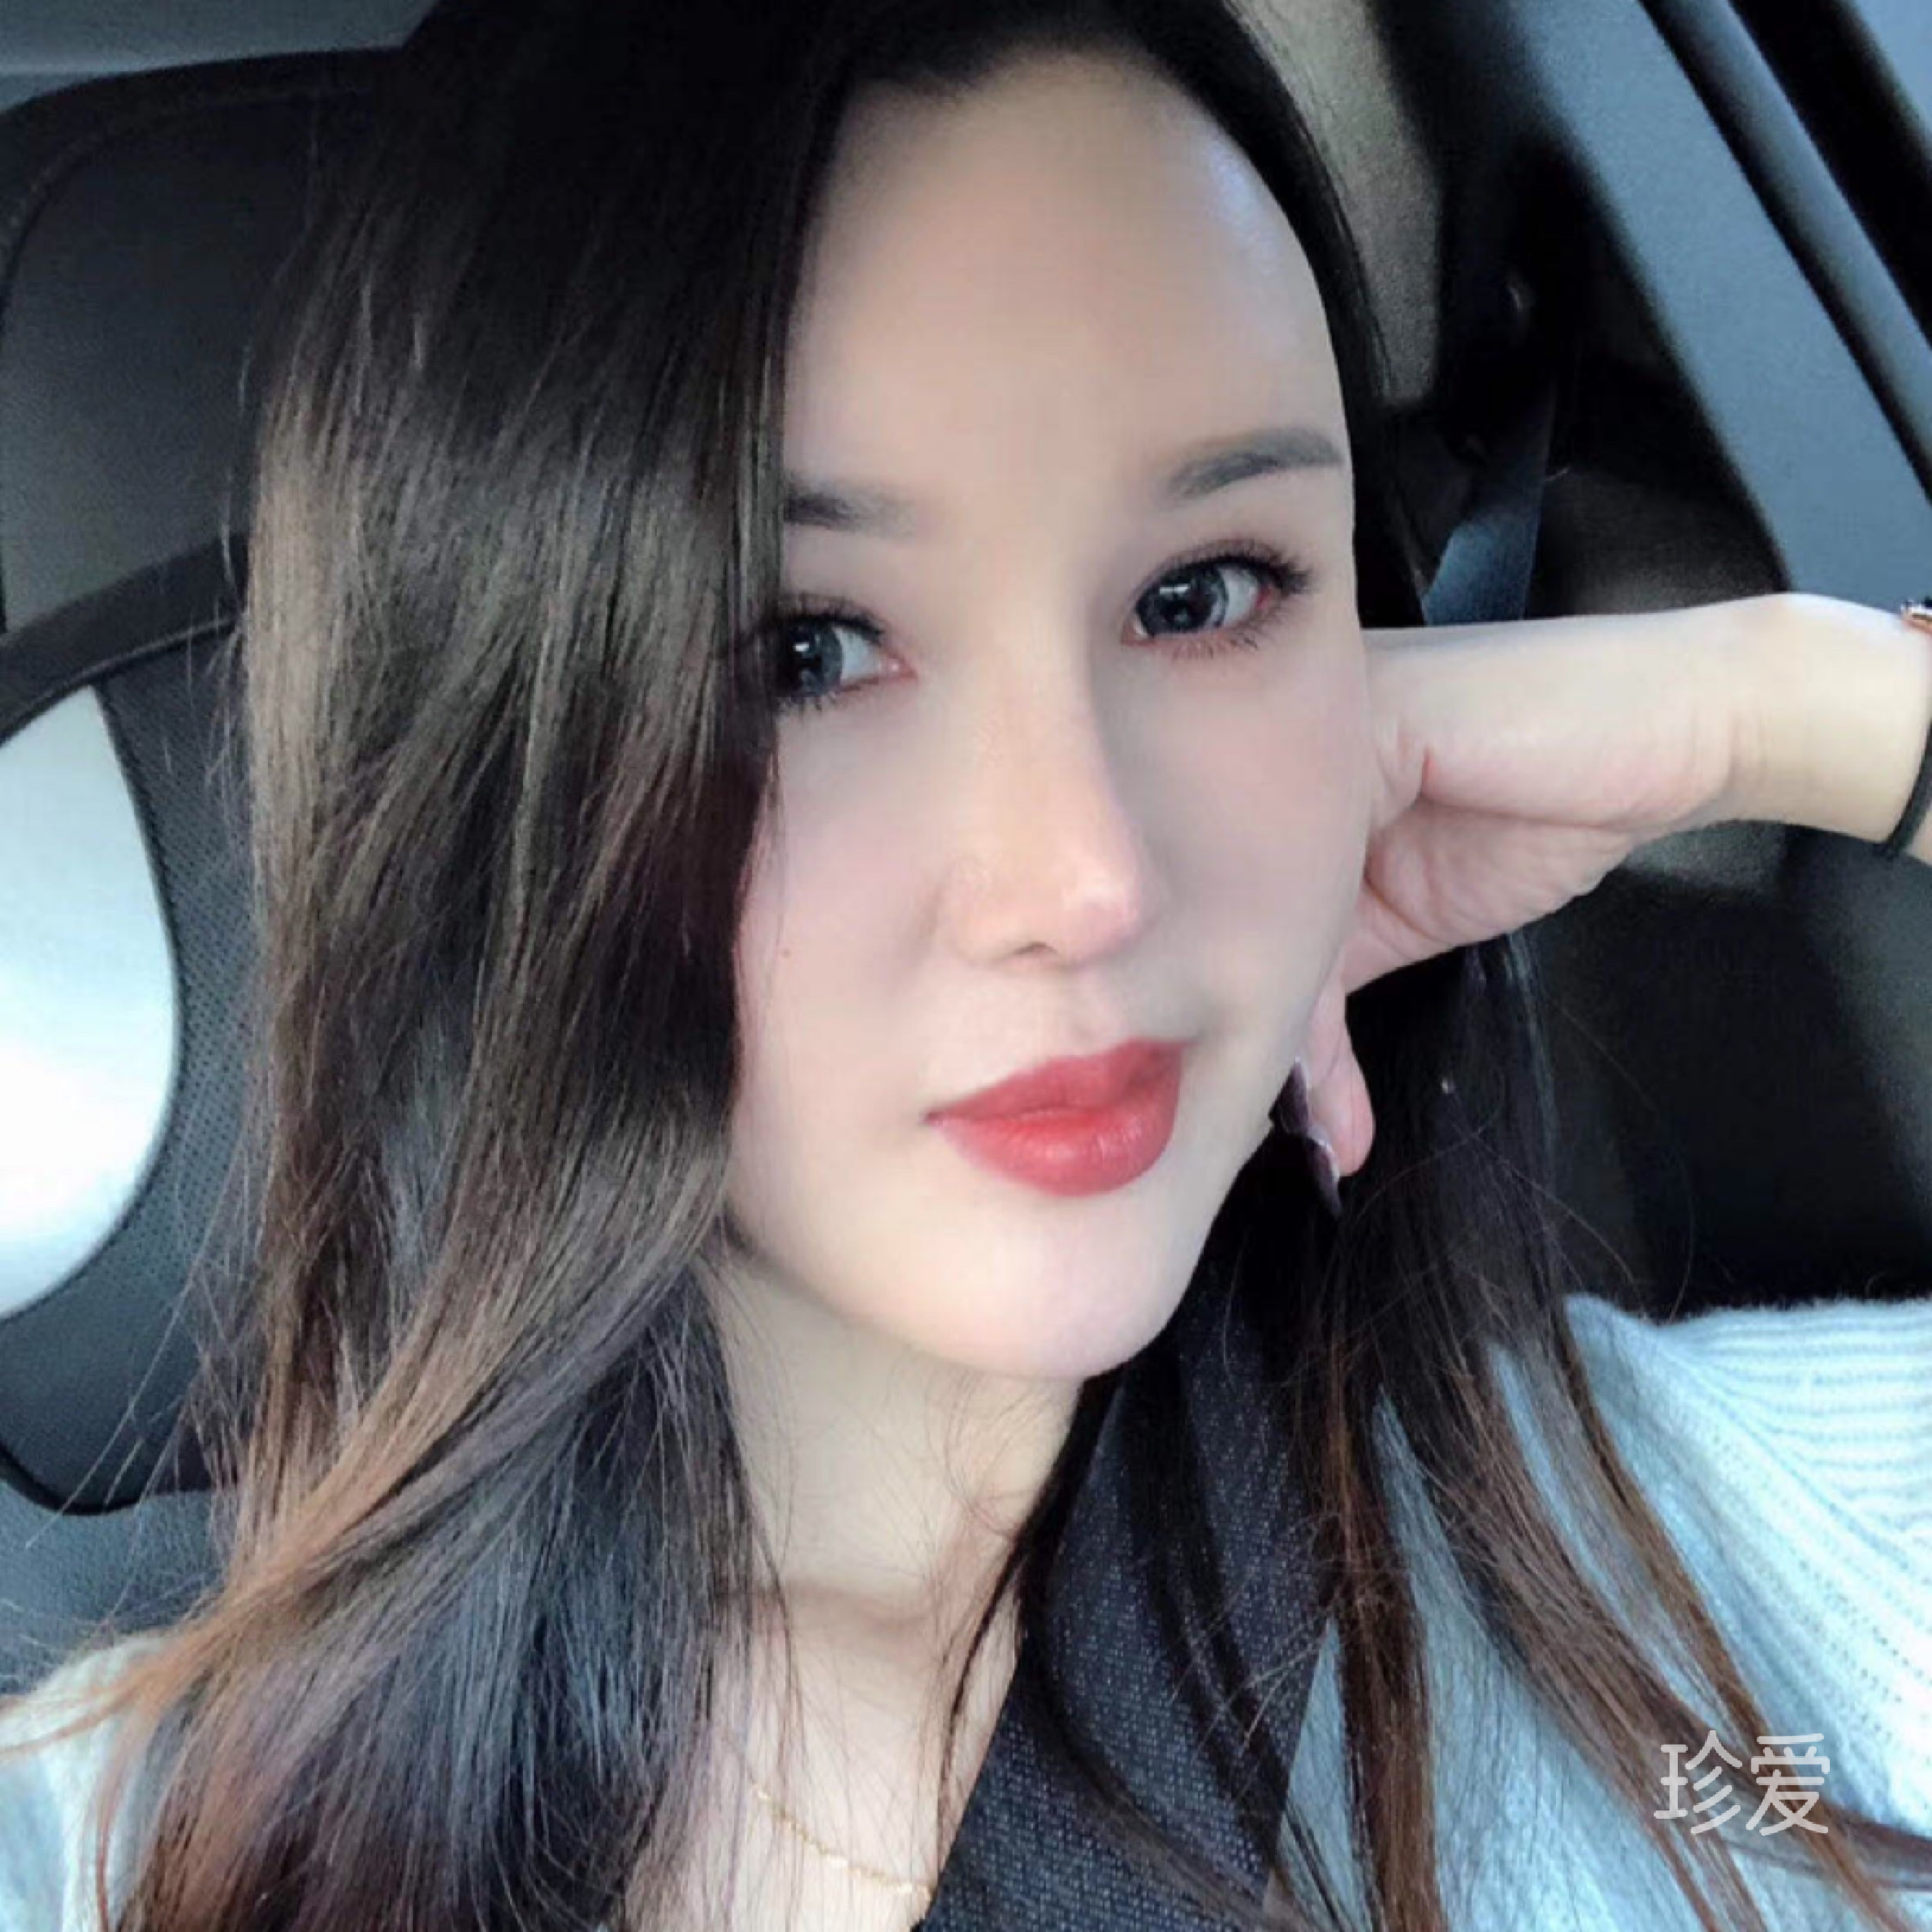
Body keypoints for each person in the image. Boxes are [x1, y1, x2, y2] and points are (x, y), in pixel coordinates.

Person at [1, 0, 1929, 1927]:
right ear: (492, 764)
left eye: (1206, 594)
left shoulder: (1718, 1586)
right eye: (803, 653)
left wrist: (1783, 705)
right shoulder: (121, 1846)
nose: (1084, 878)